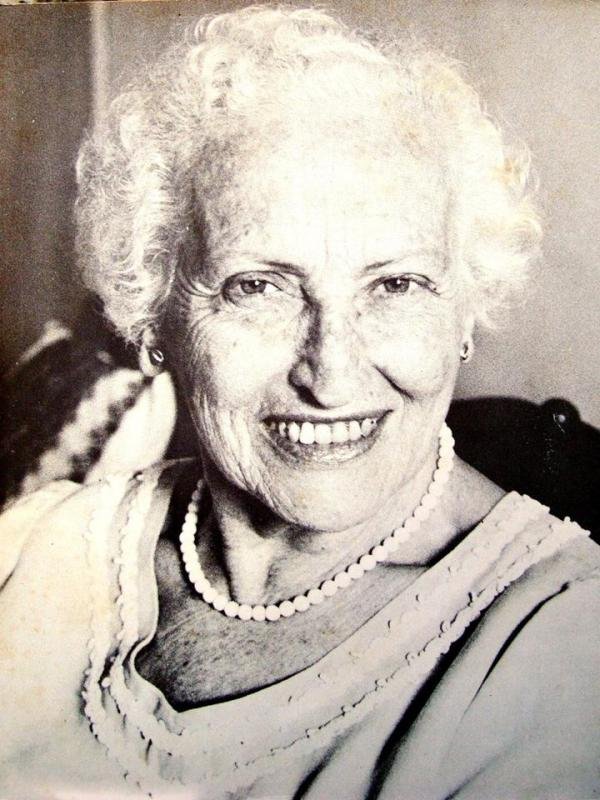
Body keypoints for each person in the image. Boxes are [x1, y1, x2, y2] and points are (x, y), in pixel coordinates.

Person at [1, 6, 598, 799]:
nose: (331, 375)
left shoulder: (558, 647)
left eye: (395, 284)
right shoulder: (34, 556)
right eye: (258, 287)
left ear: (464, 313)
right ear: (153, 317)